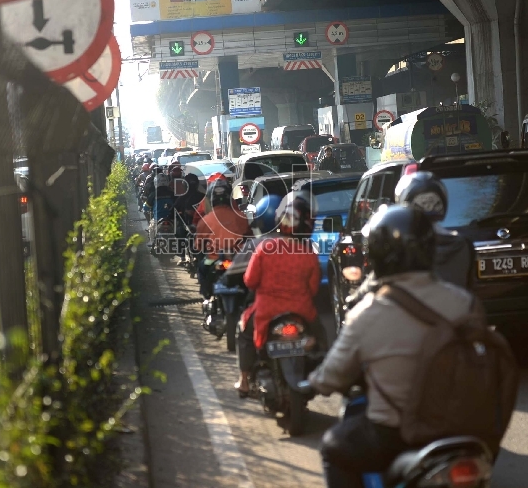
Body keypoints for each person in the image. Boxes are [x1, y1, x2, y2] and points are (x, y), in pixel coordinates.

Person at [307, 205, 481, 487]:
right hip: (462, 427)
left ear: (377, 254)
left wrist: (314, 382)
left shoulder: (367, 313)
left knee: (333, 447)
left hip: (393, 433)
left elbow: (332, 376)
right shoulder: (464, 302)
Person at [345, 171, 475, 311]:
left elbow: (376, 281)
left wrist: (353, 301)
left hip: (410, 317)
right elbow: (470, 288)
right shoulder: (462, 244)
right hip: (456, 316)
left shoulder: (404, 244)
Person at [235, 192, 322, 396]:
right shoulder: (308, 253)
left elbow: (250, 281)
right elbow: (313, 289)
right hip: (302, 312)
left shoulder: (264, 248)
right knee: (320, 337)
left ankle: (244, 381)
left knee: (244, 333)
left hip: (266, 312)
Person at [194, 180, 249, 298]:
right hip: (239, 261)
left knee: (202, 268)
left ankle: (207, 297)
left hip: (213, 260)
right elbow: (250, 239)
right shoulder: (241, 217)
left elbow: (198, 246)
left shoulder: (205, 220)